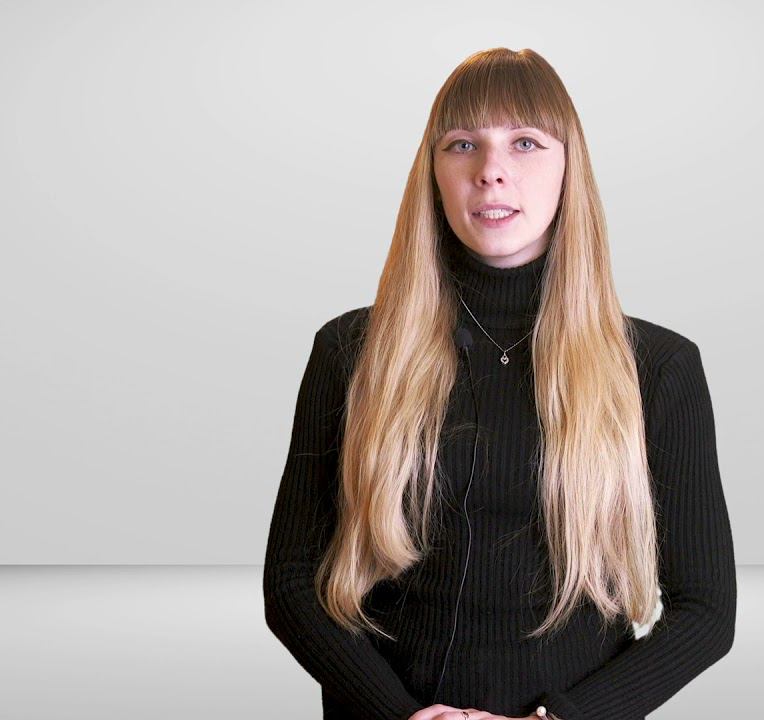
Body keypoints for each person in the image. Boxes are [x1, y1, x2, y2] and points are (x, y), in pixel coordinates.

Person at [263, 47, 736, 720]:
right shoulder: (350, 352)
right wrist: (401, 715)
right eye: (463, 144)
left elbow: (706, 613)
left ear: (569, 167)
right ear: (432, 173)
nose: (491, 170)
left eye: (525, 143)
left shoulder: (658, 369)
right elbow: (291, 585)